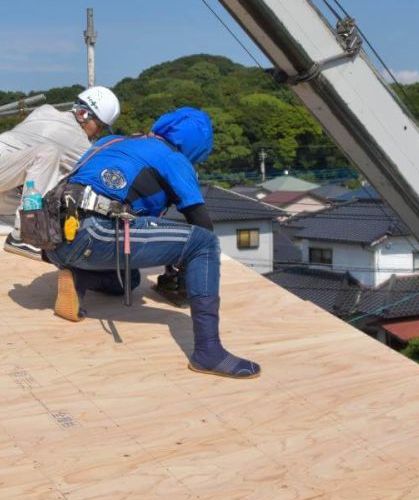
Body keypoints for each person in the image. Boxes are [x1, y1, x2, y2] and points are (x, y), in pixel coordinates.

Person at [44, 107, 260, 380]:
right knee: (204, 244)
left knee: (130, 279)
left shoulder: (112, 141)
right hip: (95, 232)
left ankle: (79, 278)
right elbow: (201, 224)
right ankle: (209, 352)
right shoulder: (173, 158)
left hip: (55, 238)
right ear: (196, 147)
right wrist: (186, 268)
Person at [0, 86, 120, 260]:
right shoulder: (74, 139)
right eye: (100, 126)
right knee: (47, 153)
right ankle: (24, 236)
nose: (99, 133)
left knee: (55, 211)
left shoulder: (45, 110)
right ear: (83, 114)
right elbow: (101, 173)